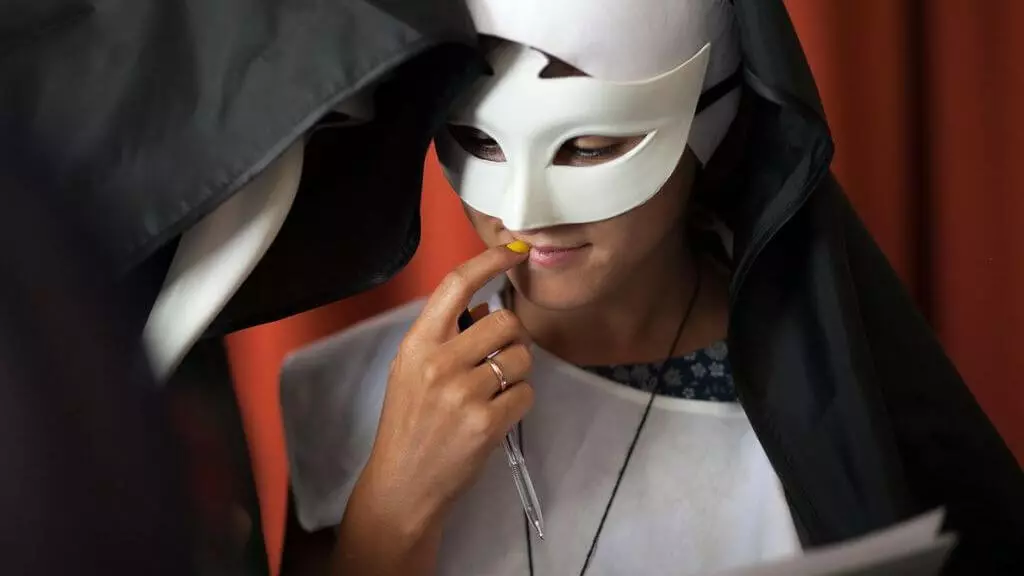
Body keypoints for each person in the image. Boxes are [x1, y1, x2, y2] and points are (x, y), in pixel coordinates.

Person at [279, 1, 1024, 575]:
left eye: (589, 147)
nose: (522, 212)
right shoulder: (348, 398)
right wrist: (388, 520)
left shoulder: (833, 403)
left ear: (710, 123)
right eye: (479, 142)